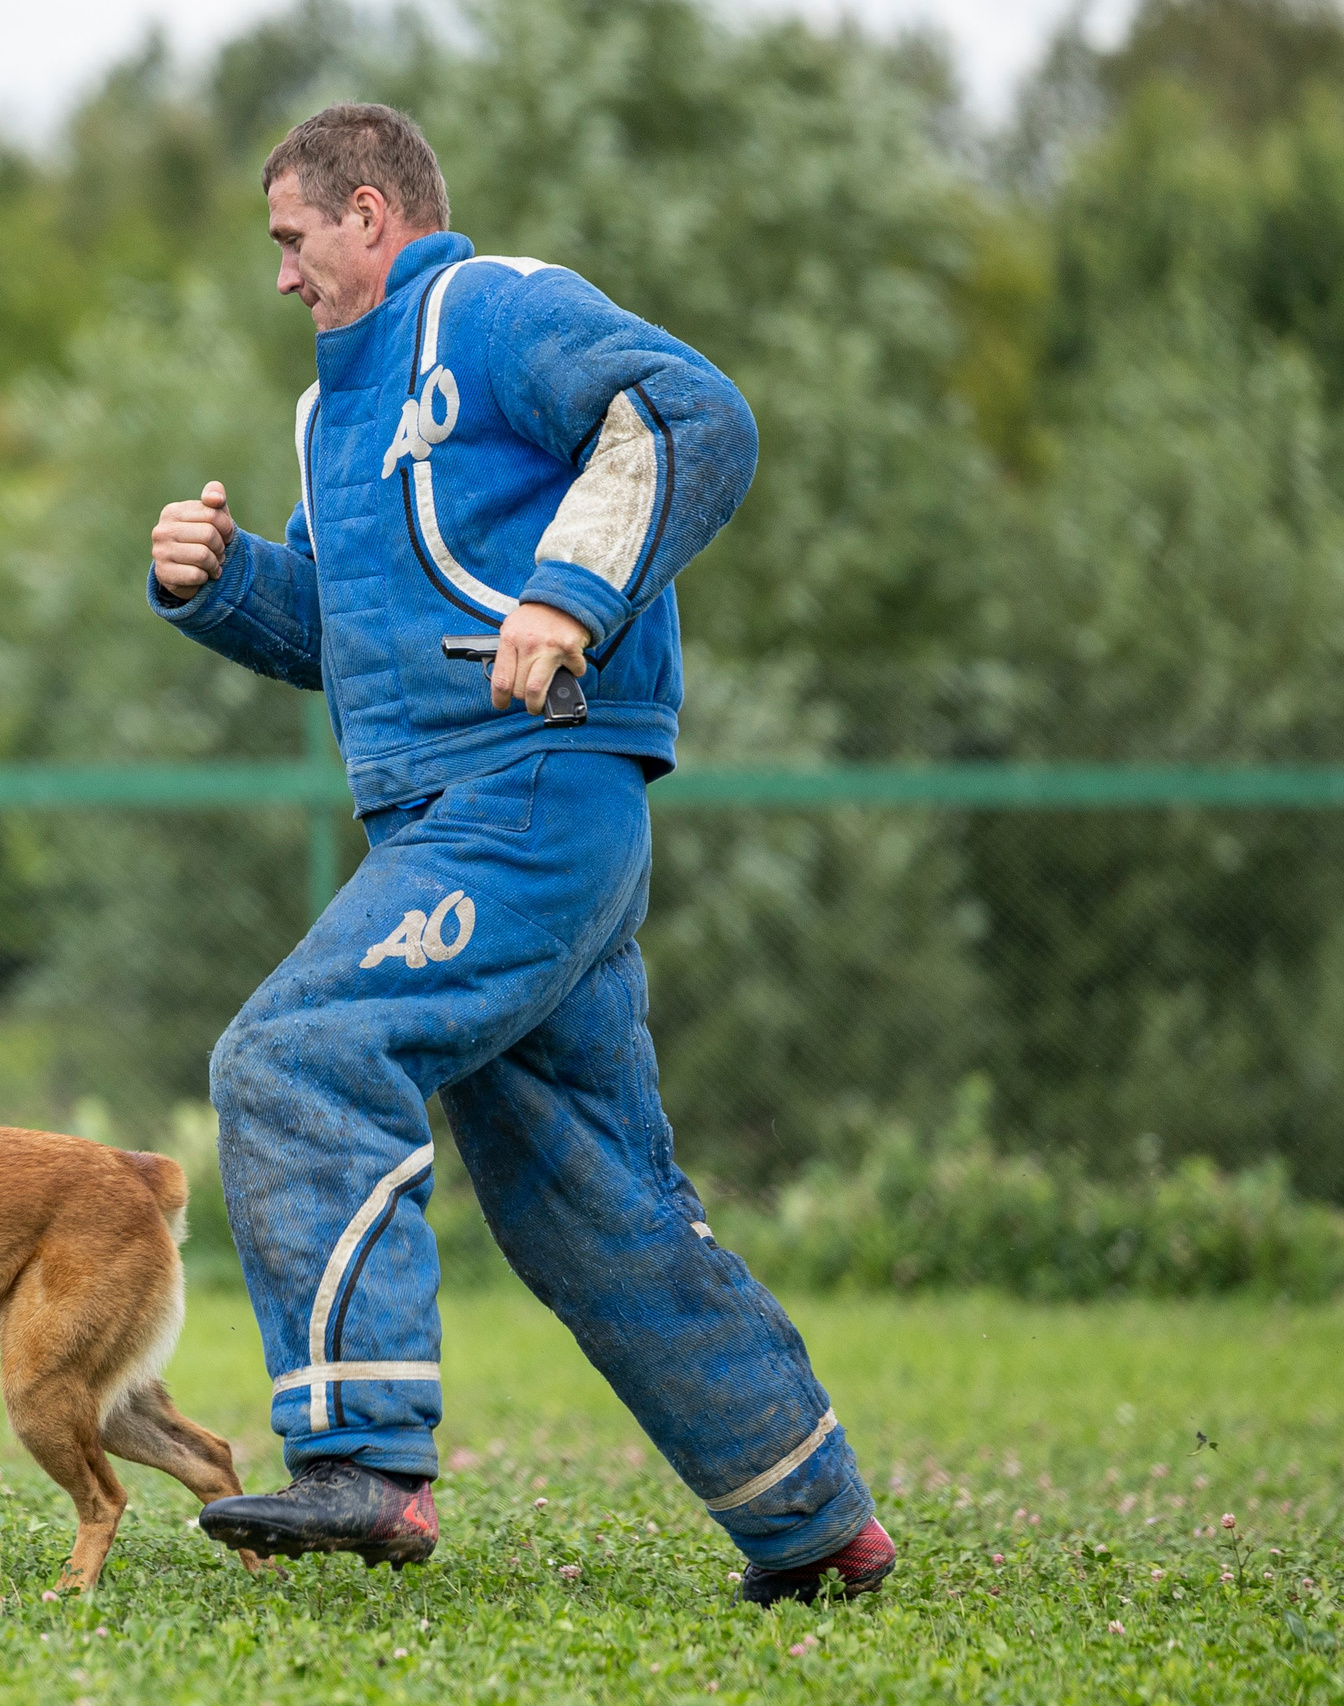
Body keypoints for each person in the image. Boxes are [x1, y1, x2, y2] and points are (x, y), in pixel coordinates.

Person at [150, 103, 894, 1605]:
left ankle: (364, 1458)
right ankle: (812, 1520)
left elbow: (691, 414)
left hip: (534, 792)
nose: (284, 276)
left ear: (370, 214)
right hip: (457, 815)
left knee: (294, 1057)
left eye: (292, 240)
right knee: (587, 1193)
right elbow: (356, 643)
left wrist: (570, 596)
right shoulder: (327, 414)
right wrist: (228, 582)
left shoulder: (494, 309)